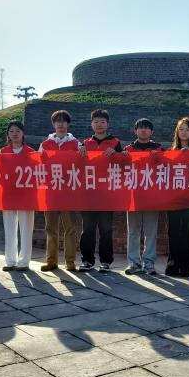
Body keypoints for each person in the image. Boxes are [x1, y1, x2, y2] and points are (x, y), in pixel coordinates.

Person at [79, 109, 123, 272]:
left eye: (102, 122)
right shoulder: (85, 144)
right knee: (88, 230)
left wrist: (117, 154)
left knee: (106, 229)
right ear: (91, 124)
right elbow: (78, 167)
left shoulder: (115, 143)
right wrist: (79, 155)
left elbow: (123, 165)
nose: (99, 125)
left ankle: (106, 262)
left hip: (107, 194)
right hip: (89, 193)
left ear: (108, 124)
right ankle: (87, 260)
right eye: (96, 122)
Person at [39, 110, 81, 272]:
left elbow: (82, 165)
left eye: (64, 121)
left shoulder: (76, 144)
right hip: (51, 192)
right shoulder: (45, 144)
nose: (61, 124)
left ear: (68, 124)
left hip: (69, 192)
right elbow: (38, 165)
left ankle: (70, 261)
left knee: (70, 228)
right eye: (58, 121)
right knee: (50, 228)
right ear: (53, 124)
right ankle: (51, 261)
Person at [124, 118, 163, 276]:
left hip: (152, 196)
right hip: (133, 196)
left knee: (151, 231)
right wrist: (122, 157)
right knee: (133, 231)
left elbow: (167, 167)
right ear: (135, 131)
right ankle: (133, 263)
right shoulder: (128, 149)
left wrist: (159, 157)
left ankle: (149, 263)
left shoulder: (158, 149)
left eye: (147, 128)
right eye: (141, 128)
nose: (144, 130)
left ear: (151, 132)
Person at [0, 121, 36, 272]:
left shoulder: (31, 152)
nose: (15, 134)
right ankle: (10, 261)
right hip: (8, 194)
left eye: (18, 131)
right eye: (11, 131)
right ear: (8, 134)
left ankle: (24, 262)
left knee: (26, 228)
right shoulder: (3, 151)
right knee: (9, 228)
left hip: (26, 194)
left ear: (23, 133)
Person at [165, 117, 189, 277]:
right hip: (173, 199)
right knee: (173, 232)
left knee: (187, 232)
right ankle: (173, 264)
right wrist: (178, 156)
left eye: (187, 129)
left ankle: (186, 266)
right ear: (177, 132)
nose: (184, 132)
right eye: (181, 129)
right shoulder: (170, 152)